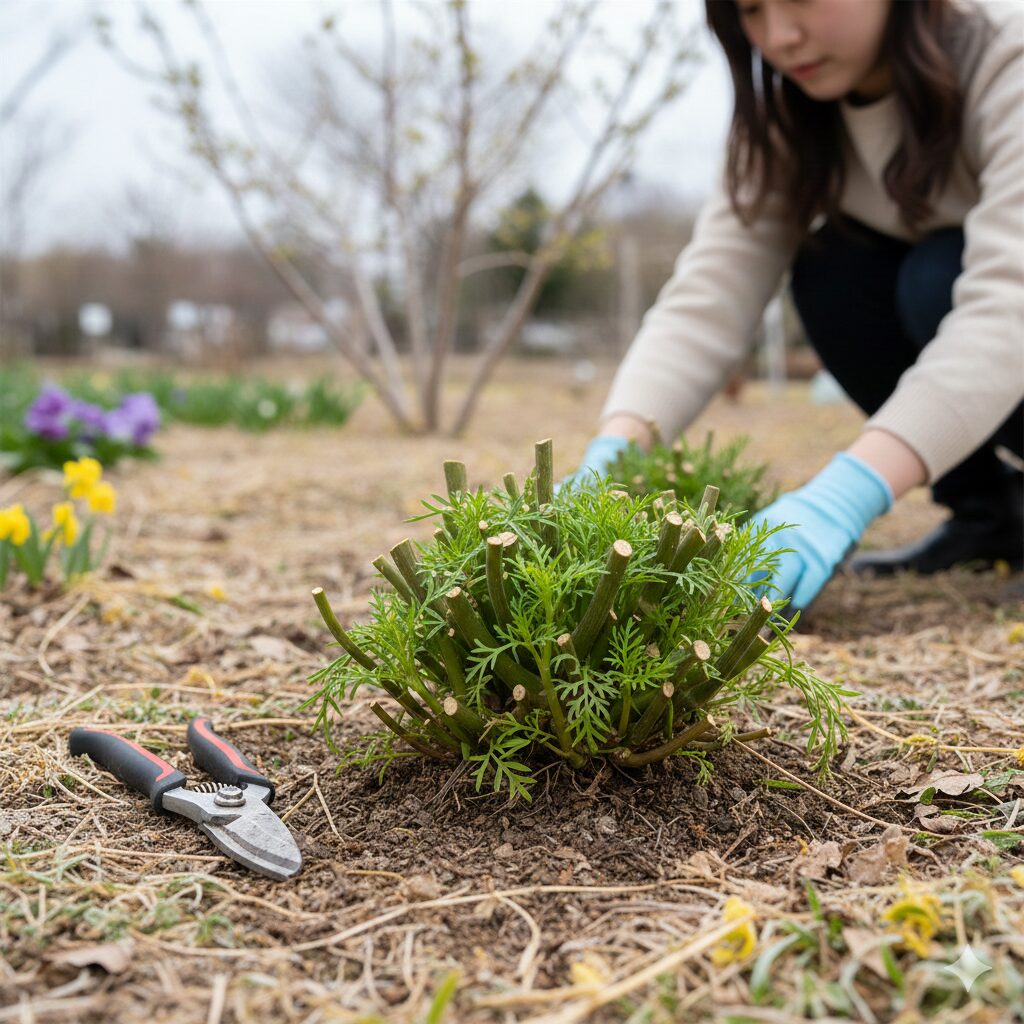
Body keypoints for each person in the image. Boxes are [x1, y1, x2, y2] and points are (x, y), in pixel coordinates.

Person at [569, 0, 1023, 611]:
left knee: (937, 277)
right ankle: (994, 518)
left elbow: (1009, 300)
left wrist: (846, 494)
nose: (780, 37)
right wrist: (615, 455)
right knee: (833, 271)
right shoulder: (790, 117)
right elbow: (711, 292)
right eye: (752, 10)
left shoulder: (1005, 55)